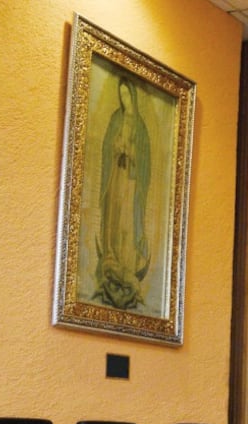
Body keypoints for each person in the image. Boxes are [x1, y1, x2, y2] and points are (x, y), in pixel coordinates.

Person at [95, 76, 151, 311]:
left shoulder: (140, 127)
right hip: (116, 179)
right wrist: (116, 148)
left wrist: (132, 153)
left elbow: (146, 162)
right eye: (122, 95)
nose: (125, 99)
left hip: (131, 182)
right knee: (114, 219)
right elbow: (108, 145)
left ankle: (127, 264)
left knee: (127, 222)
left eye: (128, 95)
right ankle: (111, 260)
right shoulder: (115, 119)